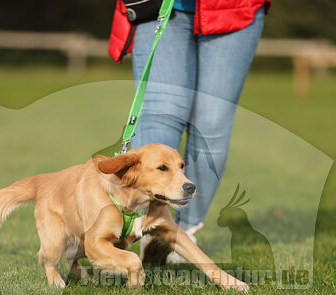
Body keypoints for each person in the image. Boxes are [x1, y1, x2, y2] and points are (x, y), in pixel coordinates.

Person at [109, 0, 269, 262]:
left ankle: (185, 230)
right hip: (159, 5)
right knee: (160, 114)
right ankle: (151, 223)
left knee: (212, 123)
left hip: (234, 8)